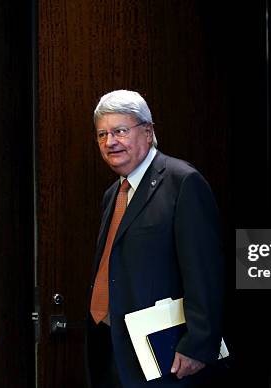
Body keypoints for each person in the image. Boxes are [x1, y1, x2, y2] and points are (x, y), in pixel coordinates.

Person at [85, 90, 224, 388]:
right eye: (102, 134)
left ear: (148, 132)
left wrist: (198, 344)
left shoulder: (182, 182)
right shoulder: (113, 194)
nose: (110, 142)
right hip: (112, 346)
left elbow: (205, 271)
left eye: (120, 131)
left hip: (165, 353)